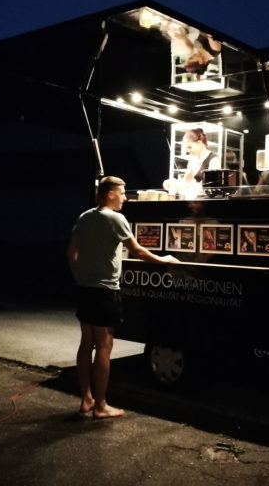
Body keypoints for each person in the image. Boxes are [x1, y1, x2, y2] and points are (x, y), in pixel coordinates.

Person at [66, 176, 178, 419]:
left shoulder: (84, 217)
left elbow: (71, 252)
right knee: (104, 347)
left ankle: (86, 399)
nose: (125, 198)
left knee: (86, 344)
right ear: (109, 194)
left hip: (85, 289)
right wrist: (164, 260)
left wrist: (80, 278)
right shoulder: (116, 218)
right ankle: (101, 405)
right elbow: (137, 250)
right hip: (105, 290)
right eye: (122, 193)